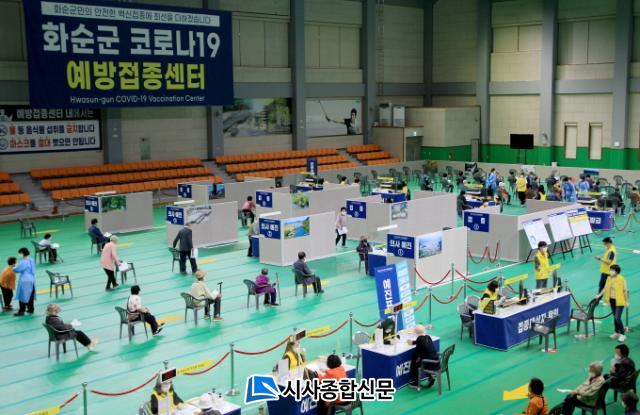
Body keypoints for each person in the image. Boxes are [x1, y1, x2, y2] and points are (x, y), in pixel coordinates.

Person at [597, 264, 628, 342]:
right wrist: (599, 295)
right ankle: (616, 332)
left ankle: (622, 334)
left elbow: (625, 291)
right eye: (610, 270)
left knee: (617, 318)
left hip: (619, 301)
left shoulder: (621, 279)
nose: (610, 271)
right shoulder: (609, 278)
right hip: (612, 300)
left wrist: (627, 301)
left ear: (616, 271)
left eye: (612, 270)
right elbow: (605, 288)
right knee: (615, 317)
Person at [407, 325, 440, 390]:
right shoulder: (428, 337)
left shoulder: (419, 339)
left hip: (429, 363)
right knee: (419, 359)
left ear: (416, 333)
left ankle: (416, 382)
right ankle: (430, 377)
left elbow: (417, 351)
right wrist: (413, 342)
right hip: (436, 362)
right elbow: (422, 343)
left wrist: (417, 358)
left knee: (415, 363)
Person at [13, 248, 36, 316]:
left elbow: (17, 270)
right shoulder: (31, 260)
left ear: (22, 253)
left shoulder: (23, 261)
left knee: (22, 295)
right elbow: (33, 270)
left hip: (25, 280)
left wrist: (14, 267)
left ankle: (21, 311)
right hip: (31, 278)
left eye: (20, 253)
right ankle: (31, 309)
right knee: (30, 295)